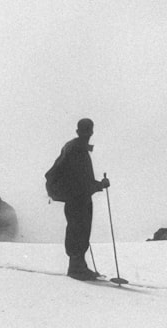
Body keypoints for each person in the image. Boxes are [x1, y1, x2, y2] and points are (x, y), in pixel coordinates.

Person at [47, 118, 110, 279]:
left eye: (89, 130)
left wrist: (97, 185)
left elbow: (81, 179)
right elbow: (80, 180)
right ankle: (76, 267)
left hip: (77, 197)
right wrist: (99, 185)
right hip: (77, 198)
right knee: (78, 230)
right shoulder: (77, 150)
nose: (89, 134)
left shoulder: (75, 148)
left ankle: (79, 266)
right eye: (87, 130)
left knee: (80, 230)